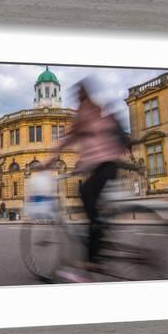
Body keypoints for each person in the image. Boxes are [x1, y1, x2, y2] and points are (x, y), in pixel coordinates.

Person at [43, 76, 129, 276]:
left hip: (103, 164)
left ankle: (92, 261)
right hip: (107, 164)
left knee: (87, 198)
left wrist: (49, 160)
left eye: (78, 93)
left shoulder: (85, 113)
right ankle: (102, 235)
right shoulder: (98, 109)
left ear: (82, 94)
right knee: (95, 203)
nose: (76, 96)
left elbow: (69, 138)